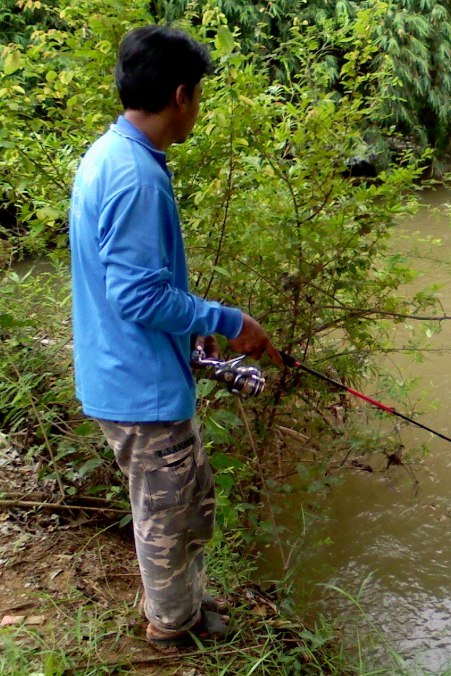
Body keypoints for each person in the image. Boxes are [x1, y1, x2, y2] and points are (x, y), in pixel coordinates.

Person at [69, 25, 280, 648]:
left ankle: (181, 605)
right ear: (181, 95)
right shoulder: (137, 177)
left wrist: (188, 336)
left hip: (128, 372)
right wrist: (228, 320)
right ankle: (172, 631)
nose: (197, 108)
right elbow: (137, 296)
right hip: (140, 389)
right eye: (199, 96)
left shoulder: (109, 154)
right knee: (167, 517)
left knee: (185, 504)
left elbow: (125, 283)